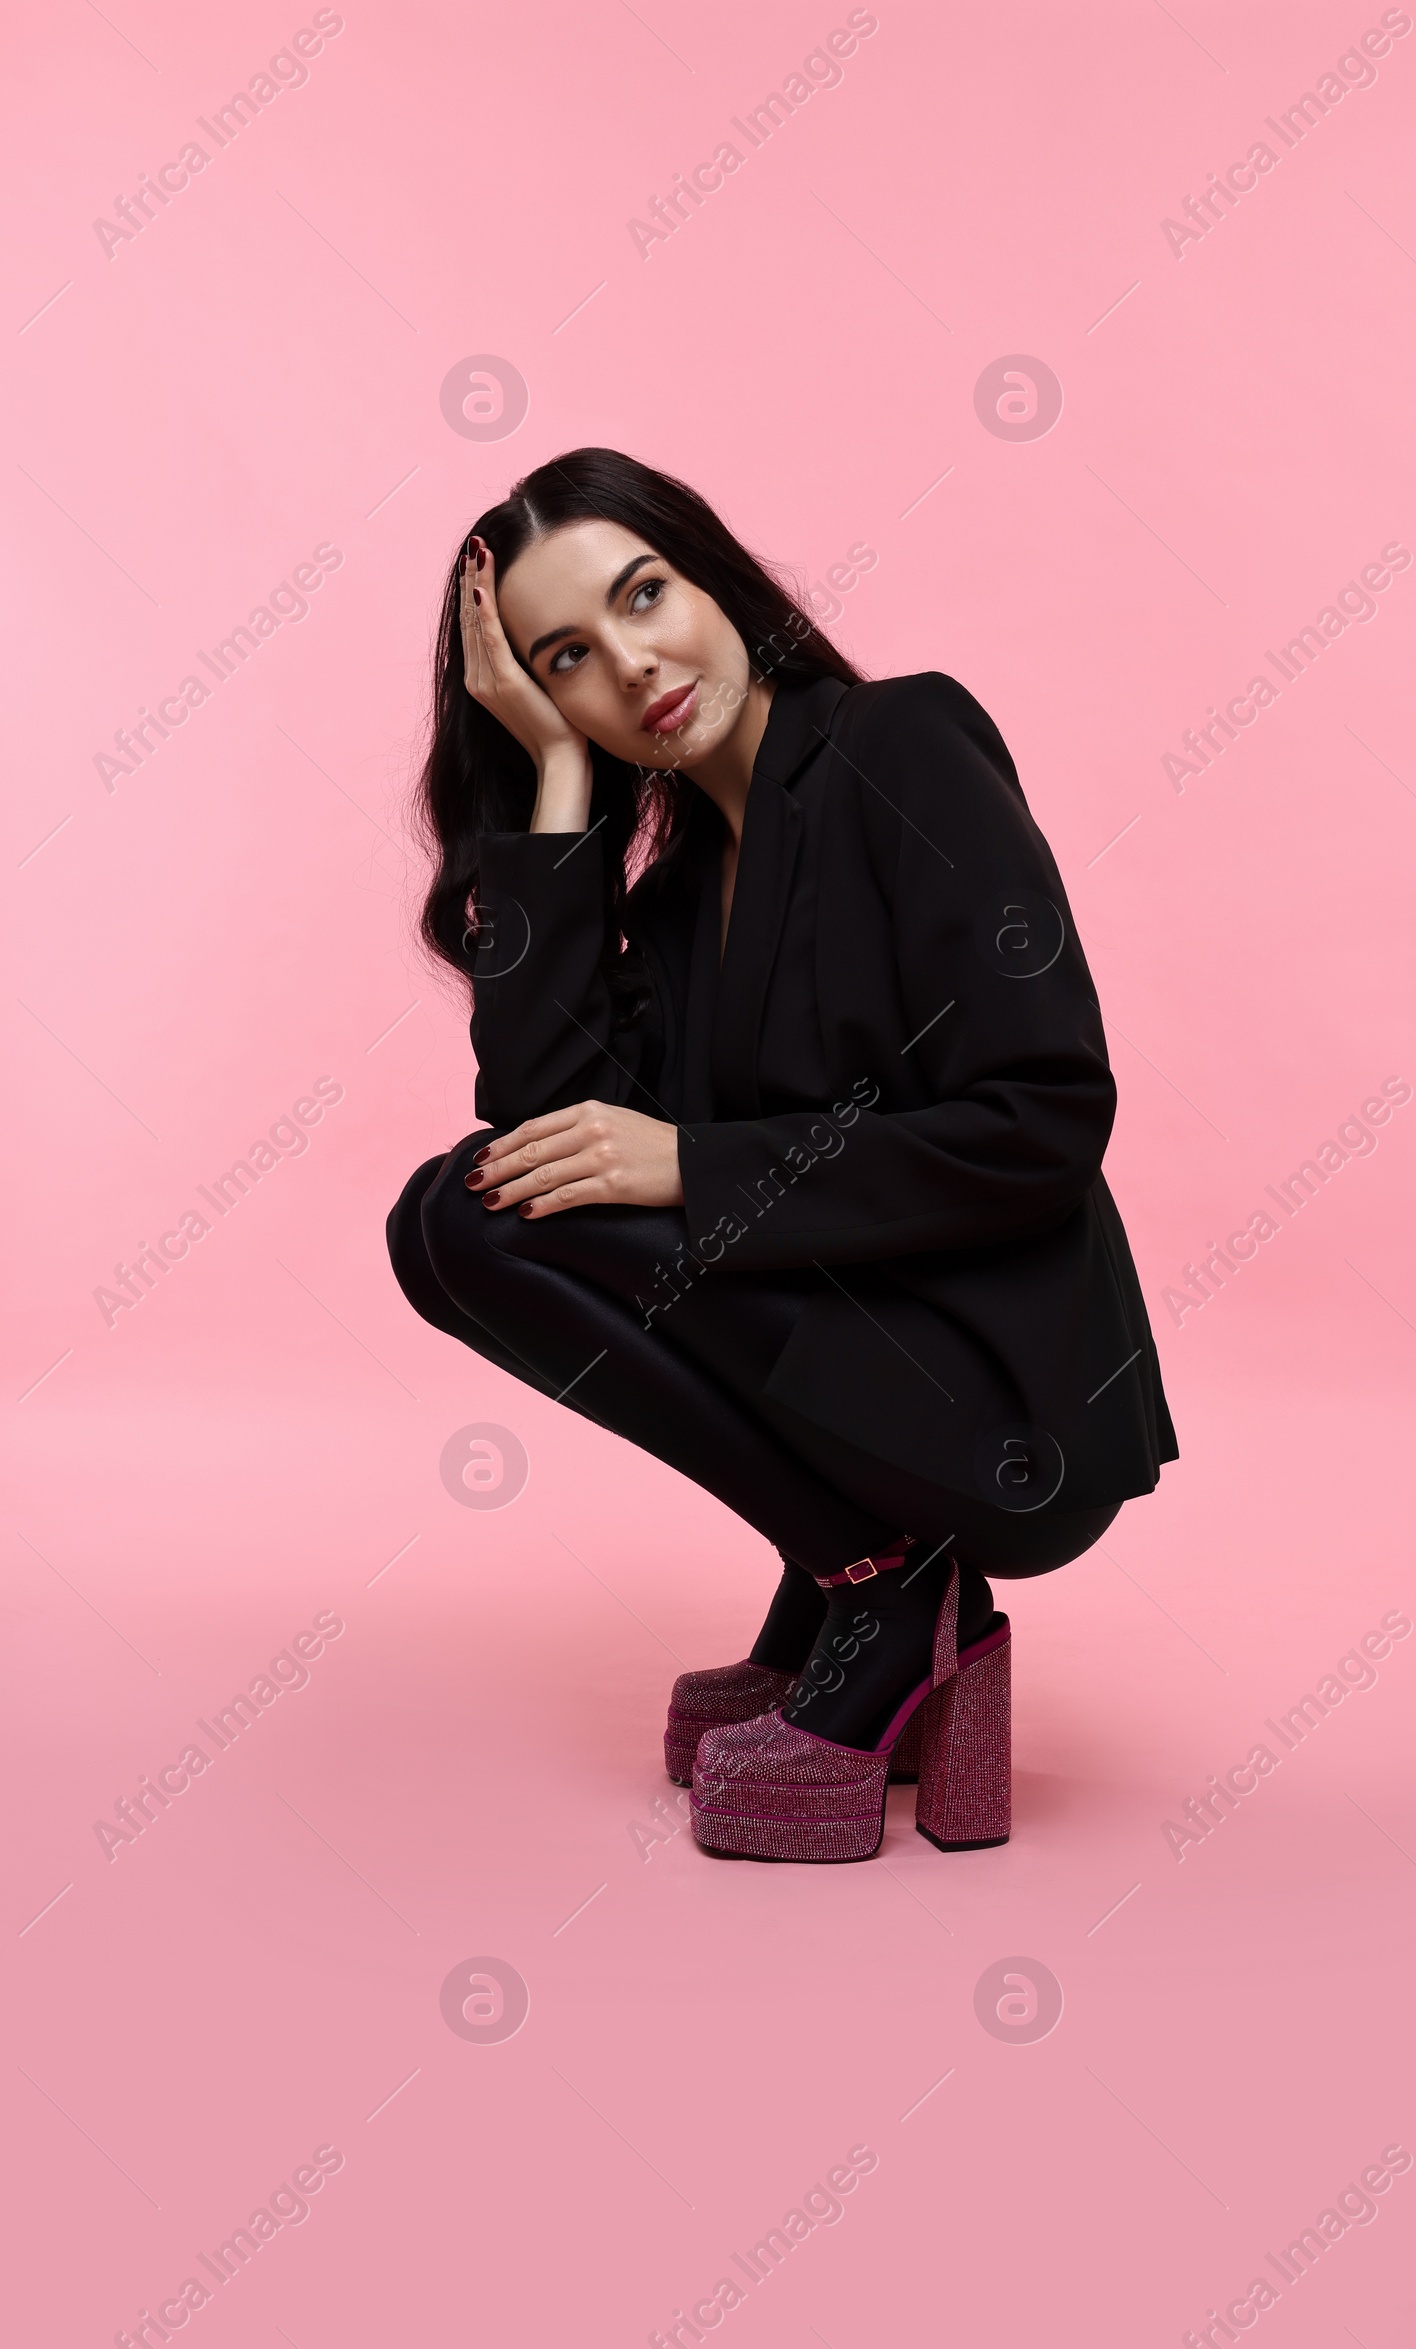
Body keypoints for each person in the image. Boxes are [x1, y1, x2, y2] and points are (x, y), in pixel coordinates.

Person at [386, 447, 1177, 1865]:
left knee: (472, 1210)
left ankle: (884, 1587)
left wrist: (687, 1166)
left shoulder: (902, 748)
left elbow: (1045, 1116)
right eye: (570, 658)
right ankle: (861, 1584)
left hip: (1007, 1398)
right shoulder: (685, 890)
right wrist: (558, 782)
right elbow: (544, 1135)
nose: (631, 667)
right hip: (871, 1362)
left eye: (646, 595)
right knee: (458, 1217)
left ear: (718, 578)